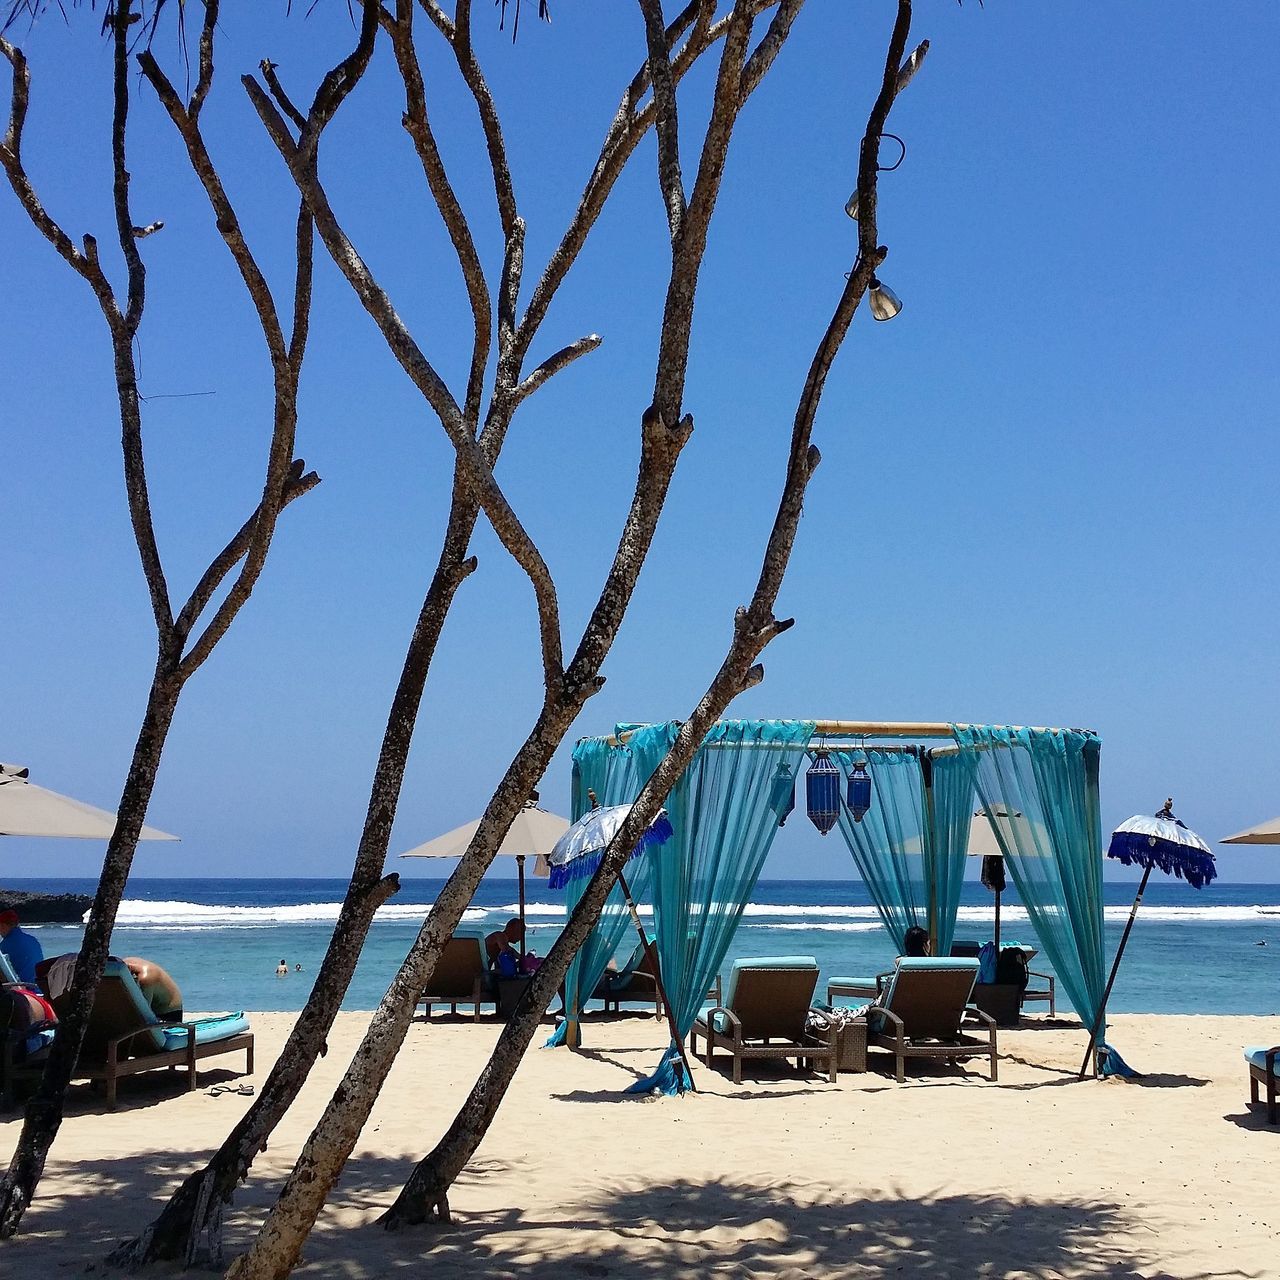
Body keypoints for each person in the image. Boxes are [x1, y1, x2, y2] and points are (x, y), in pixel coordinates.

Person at [123, 956, 183, 1022]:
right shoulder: (124, 963)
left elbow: (144, 1012)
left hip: (168, 1015)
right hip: (156, 1007)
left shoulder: (145, 978)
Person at [0, 909, 44, 984]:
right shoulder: (32, 940)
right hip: (38, 986)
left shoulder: (4, 946)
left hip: (20, 989)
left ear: (3, 925)